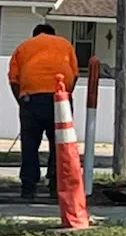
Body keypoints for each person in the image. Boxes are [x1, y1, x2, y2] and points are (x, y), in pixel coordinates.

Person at [7, 22, 80, 201]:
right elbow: (75, 75)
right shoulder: (65, 45)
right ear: (53, 34)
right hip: (59, 97)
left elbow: (13, 79)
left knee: (30, 145)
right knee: (60, 145)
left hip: (31, 99)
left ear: (35, 35)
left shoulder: (24, 47)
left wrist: (22, 102)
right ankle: (56, 185)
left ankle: (29, 187)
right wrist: (65, 97)